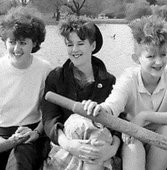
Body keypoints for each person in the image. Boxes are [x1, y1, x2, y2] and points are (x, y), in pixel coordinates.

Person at [82, 15, 167, 170]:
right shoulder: (129, 78)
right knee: (133, 143)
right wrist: (99, 109)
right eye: (151, 56)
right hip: (133, 135)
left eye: (163, 54)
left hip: (161, 138)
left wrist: (144, 116)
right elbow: (113, 104)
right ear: (137, 59)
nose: (159, 62)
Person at [42, 16, 121, 170]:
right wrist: (70, 145)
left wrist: (111, 150)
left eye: (80, 43)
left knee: (96, 139)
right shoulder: (56, 77)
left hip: (100, 148)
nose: (74, 50)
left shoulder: (109, 81)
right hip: (65, 145)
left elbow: (117, 122)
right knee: (80, 122)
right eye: (69, 44)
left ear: (93, 45)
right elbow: (49, 119)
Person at [0, 6, 52, 170]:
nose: (16, 49)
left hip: (29, 135)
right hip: (1, 134)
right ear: (4, 41)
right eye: (12, 42)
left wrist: (35, 132)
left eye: (23, 43)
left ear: (34, 43)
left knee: (18, 164)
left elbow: (48, 111)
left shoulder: (44, 69)